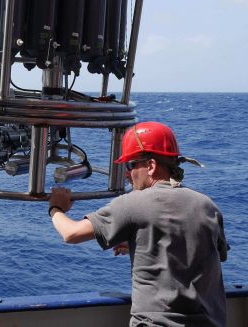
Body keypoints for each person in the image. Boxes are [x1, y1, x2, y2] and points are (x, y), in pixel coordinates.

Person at [48, 121, 228, 327]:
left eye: (131, 165)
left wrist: (56, 208)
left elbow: (71, 234)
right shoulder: (207, 205)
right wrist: (141, 243)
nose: (127, 173)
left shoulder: (133, 202)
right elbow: (208, 253)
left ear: (150, 166)